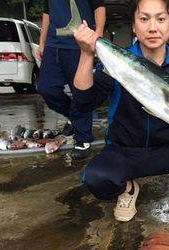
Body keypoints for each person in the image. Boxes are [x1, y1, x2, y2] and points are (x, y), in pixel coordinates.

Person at [72, 0, 169, 222]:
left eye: (161, 19)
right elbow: (83, 102)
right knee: (96, 178)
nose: (152, 27)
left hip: (167, 151)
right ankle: (128, 189)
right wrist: (87, 54)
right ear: (134, 26)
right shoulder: (119, 60)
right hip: (125, 152)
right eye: (144, 19)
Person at [37, 0, 106, 160]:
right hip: (53, 45)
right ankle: (76, 119)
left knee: (80, 93)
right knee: (45, 88)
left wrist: (98, 34)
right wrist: (42, 42)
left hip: (79, 46)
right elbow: (47, 13)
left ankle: (83, 139)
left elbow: (99, 6)